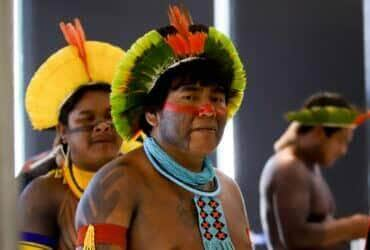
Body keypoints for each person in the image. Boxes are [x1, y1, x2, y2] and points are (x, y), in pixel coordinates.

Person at [75, 5, 253, 250]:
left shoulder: (229, 191)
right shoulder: (119, 183)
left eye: (216, 98)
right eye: (190, 97)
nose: (208, 110)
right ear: (151, 114)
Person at [18, 19, 125, 249]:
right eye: (88, 119)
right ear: (63, 131)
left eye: (111, 116)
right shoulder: (42, 194)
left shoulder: (149, 181)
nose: (103, 126)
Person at [259, 92, 370, 250]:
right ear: (319, 132)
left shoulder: (307, 166)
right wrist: (352, 227)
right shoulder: (289, 167)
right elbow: (295, 237)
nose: (343, 150)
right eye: (341, 141)